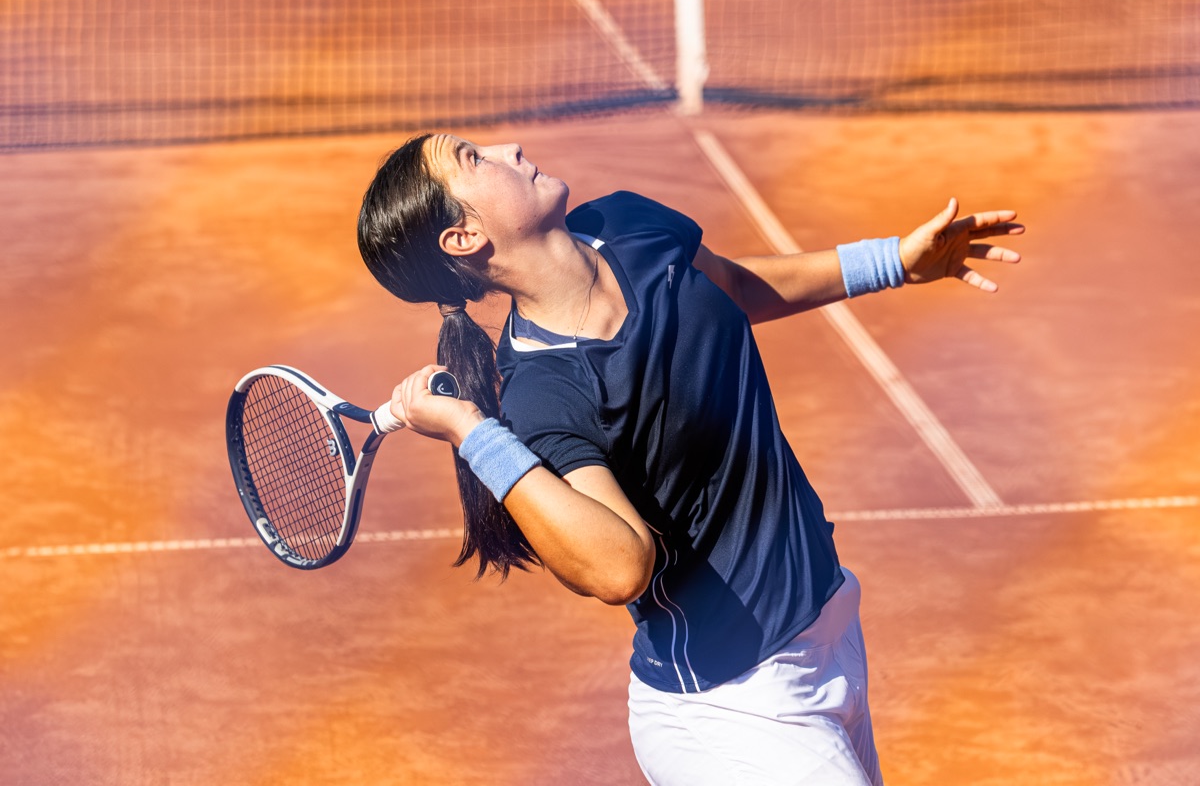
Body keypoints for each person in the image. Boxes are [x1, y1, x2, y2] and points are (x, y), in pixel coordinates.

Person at [357, 132, 1022, 785]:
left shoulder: (627, 224)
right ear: (464, 237)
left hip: (827, 629)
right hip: (731, 708)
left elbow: (728, 288)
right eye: (475, 159)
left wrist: (894, 261)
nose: (511, 150)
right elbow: (619, 568)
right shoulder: (544, 393)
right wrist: (474, 433)